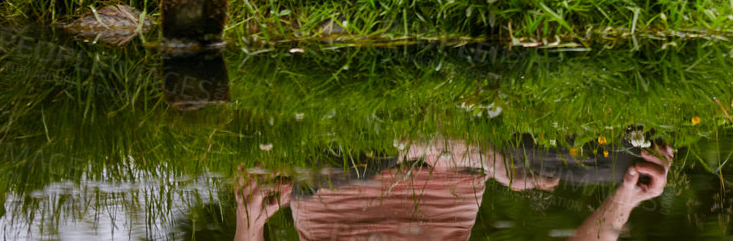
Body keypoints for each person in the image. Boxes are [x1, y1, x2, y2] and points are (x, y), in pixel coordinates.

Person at [233, 137, 675, 241]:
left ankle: (428, 139)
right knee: (624, 162)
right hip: (468, 160)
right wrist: (628, 197)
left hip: (339, 173)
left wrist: (249, 221)